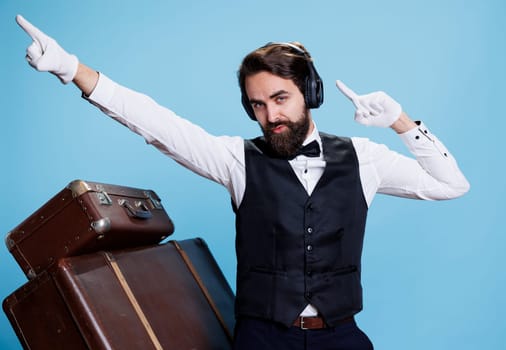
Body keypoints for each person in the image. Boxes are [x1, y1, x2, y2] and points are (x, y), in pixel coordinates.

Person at [16, 14, 469, 350]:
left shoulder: (364, 158)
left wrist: (401, 122)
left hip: (341, 337)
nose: (271, 116)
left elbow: (451, 184)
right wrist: (72, 69)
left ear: (309, 95)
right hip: (261, 339)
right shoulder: (236, 159)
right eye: (257, 105)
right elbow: (157, 124)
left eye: (280, 98)